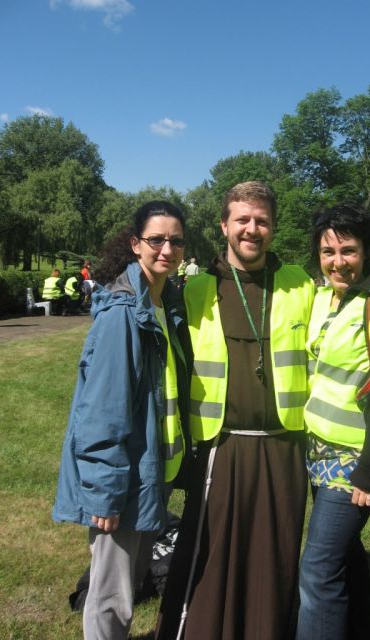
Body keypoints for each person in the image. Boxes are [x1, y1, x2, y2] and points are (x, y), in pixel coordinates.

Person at [155, 181, 314, 640]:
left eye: (261, 221)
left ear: (273, 228)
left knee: (276, 552)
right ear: (224, 225)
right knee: (212, 553)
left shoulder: (300, 284)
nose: (252, 229)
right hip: (221, 448)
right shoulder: (196, 289)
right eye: (242, 219)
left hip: (284, 447)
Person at [52, 200, 192, 640]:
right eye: (156, 239)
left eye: (175, 241)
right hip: (125, 480)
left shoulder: (164, 303)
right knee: (112, 598)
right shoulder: (123, 314)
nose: (166, 249)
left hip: (152, 473)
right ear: (136, 244)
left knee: (129, 583)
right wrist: (106, 495)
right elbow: (102, 415)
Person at [296, 204, 370, 640]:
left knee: (318, 570)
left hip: (353, 460)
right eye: (328, 252)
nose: (338, 262)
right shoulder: (323, 298)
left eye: (348, 250)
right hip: (318, 451)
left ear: (366, 252)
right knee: (342, 555)